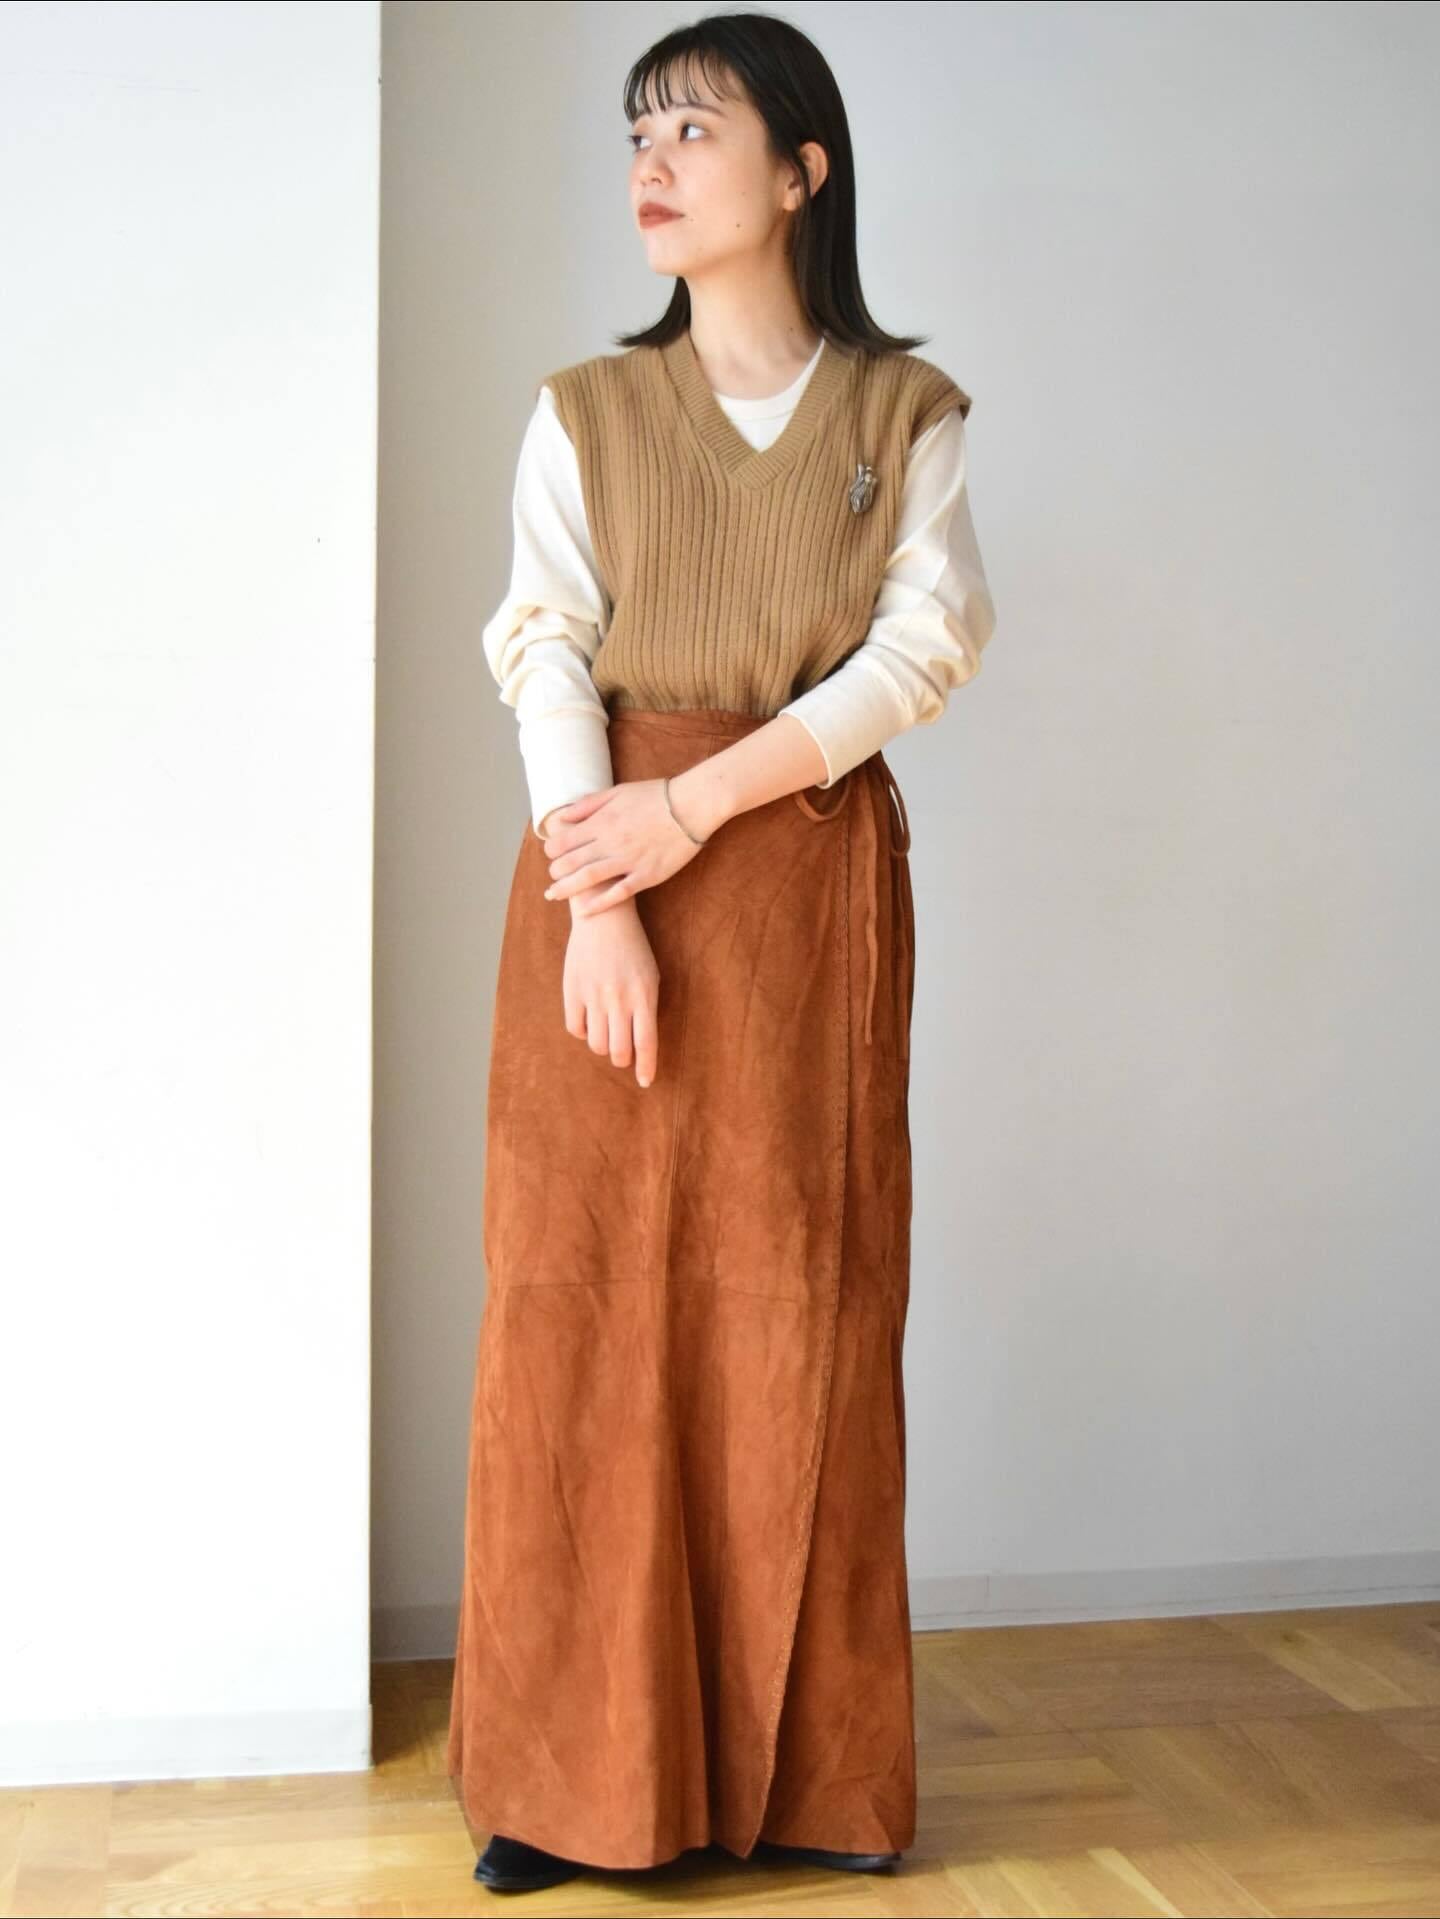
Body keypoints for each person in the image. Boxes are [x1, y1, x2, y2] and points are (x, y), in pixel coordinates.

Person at [446, 11, 997, 1896]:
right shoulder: (585, 413)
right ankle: (564, 1788)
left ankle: (812, 1786)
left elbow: (921, 653)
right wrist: (605, 896)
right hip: (602, 879)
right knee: (579, 1310)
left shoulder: (900, 418)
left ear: (802, 170)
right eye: (638, 134)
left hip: (802, 900)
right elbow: (545, 647)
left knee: (804, 1309)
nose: (652, 165)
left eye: (694, 129)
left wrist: (699, 809)